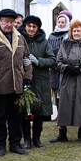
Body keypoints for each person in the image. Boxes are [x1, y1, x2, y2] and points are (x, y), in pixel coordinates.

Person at [0, 8, 33, 156]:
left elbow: (27, 60)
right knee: (0, 117)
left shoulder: (20, 38)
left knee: (16, 117)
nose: (9, 25)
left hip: (17, 85)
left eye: (12, 22)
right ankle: (0, 144)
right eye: (6, 21)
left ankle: (15, 143)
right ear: (0, 21)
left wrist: (27, 78)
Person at [51, 20, 81, 143]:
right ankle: (62, 133)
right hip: (67, 79)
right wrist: (66, 68)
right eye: (74, 31)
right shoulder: (65, 45)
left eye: (79, 30)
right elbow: (58, 61)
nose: (76, 33)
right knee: (64, 105)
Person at [20, 15, 57, 148]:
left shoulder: (43, 42)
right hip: (24, 79)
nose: (31, 29)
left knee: (39, 112)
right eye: (29, 26)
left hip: (40, 80)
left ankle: (37, 138)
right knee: (25, 109)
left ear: (38, 28)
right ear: (25, 26)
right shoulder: (19, 39)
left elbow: (53, 60)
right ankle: (27, 139)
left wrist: (38, 61)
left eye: (34, 27)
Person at [48, 13, 71, 119]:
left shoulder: (69, 34)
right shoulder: (51, 35)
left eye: (63, 22)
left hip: (65, 67)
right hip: (54, 68)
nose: (61, 24)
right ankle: (59, 114)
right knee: (56, 91)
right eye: (59, 22)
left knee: (65, 91)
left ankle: (67, 114)